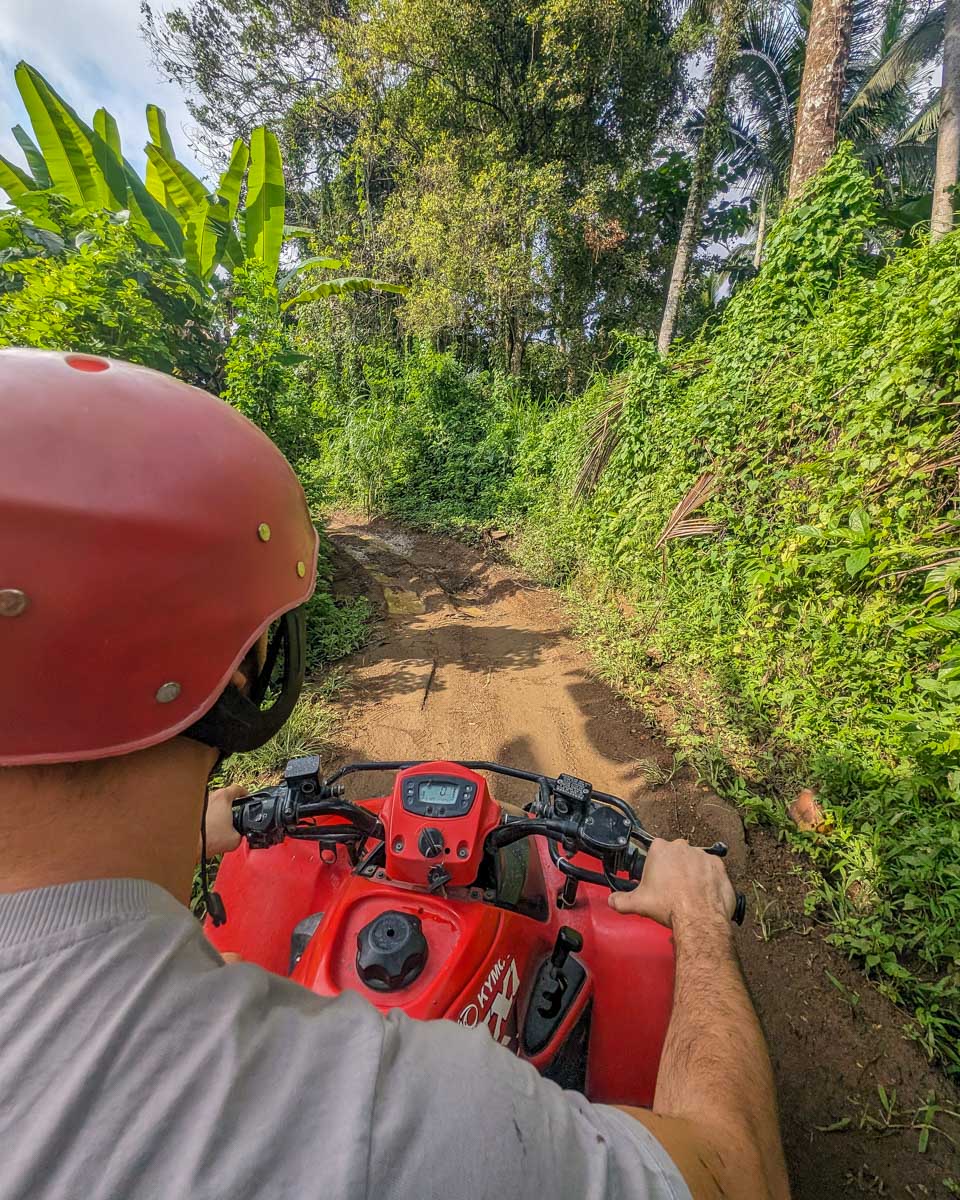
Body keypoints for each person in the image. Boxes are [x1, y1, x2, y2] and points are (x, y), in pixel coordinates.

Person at [0, 348, 790, 1200]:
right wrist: (703, 921)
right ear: (242, 677)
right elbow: (739, 1176)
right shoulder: (395, 1125)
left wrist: (193, 830)